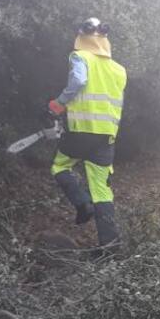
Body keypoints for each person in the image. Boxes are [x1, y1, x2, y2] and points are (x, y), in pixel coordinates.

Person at [48, 17, 127, 248]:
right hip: (106, 137)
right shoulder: (119, 70)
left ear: (82, 37)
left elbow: (79, 81)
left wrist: (58, 104)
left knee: (60, 167)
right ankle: (110, 245)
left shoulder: (80, 57)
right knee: (102, 190)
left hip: (82, 131)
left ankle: (82, 204)